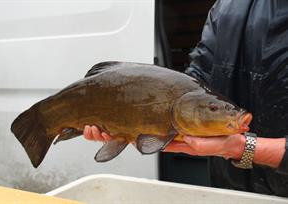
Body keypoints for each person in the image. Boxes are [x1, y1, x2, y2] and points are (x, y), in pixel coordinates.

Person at [83, 0, 288, 197]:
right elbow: (198, 79)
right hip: (227, 190)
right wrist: (139, 110)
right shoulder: (228, 6)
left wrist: (243, 147)